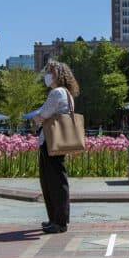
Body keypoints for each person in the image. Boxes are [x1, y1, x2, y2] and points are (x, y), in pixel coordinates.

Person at [32, 60, 80, 234]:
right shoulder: (67, 93)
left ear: (57, 75)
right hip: (57, 141)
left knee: (53, 181)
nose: (47, 76)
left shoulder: (57, 92)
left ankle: (58, 221)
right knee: (52, 180)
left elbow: (43, 114)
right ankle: (55, 219)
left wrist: (38, 117)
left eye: (50, 72)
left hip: (51, 141)